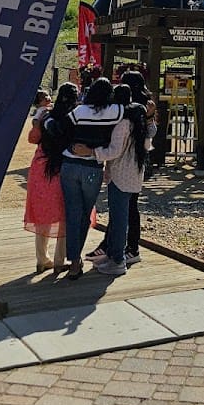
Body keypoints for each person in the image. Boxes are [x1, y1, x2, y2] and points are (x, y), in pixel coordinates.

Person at [52, 77, 125, 279]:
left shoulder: (79, 111)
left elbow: (59, 128)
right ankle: (76, 258)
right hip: (93, 167)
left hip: (70, 165)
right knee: (85, 214)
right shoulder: (116, 111)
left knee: (72, 213)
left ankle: (74, 261)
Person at [85, 69, 157, 266]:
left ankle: (122, 250)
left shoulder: (127, 112)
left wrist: (93, 152)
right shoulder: (143, 106)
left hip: (125, 166)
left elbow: (118, 146)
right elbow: (151, 134)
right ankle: (117, 247)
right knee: (126, 209)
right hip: (136, 165)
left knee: (123, 211)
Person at [23, 87, 68, 272]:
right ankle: (60, 260)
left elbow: (32, 138)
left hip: (40, 166)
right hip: (61, 167)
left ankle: (42, 258)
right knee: (63, 213)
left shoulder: (43, 117)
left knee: (43, 213)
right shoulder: (70, 118)